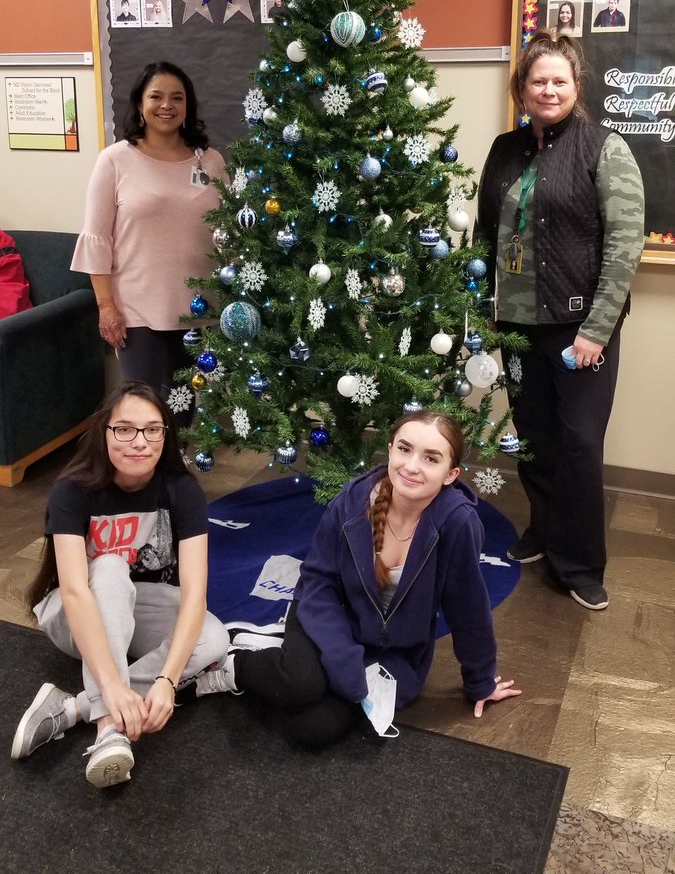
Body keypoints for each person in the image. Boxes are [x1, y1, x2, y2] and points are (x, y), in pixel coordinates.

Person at [182, 411, 521, 747]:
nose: (412, 466)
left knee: (312, 730)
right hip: (326, 616)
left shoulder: (458, 524)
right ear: (390, 449)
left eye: (431, 458)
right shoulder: (352, 503)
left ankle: (283, 653)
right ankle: (234, 666)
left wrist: (480, 682)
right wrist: (342, 660)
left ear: (451, 474)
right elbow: (317, 582)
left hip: (392, 651)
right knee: (299, 684)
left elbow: (468, 607)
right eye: (404, 449)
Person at [474, 30, 644, 611]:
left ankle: (580, 563)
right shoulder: (504, 149)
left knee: (578, 445)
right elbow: (485, 235)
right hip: (517, 326)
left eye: (558, 81)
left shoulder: (605, 148)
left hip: (580, 330)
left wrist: (597, 330)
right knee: (536, 438)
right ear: (520, 89)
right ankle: (544, 533)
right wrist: (480, 313)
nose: (547, 89)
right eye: (536, 81)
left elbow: (624, 246)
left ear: (576, 86)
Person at [10, 382, 229, 788]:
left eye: (152, 430)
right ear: (104, 432)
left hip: (138, 611)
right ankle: (108, 727)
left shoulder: (182, 491)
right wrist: (111, 686)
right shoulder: (72, 492)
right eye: (124, 429)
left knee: (214, 638)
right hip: (76, 616)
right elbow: (76, 591)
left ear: (166, 434)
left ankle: (71, 708)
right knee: (109, 566)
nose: (139, 442)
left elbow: (195, 593)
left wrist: (166, 682)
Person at [71, 61, 224, 428]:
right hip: (138, 310)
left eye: (177, 97)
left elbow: (226, 231)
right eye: (156, 96)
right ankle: (140, 481)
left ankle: (173, 479)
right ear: (140, 103)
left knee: (183, 405)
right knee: (144, 407)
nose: (166, 105)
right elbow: (98, 238)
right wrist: (106, 306)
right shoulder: (115, 160)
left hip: (200, 307)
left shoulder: (212, 161)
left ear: (188, 106)